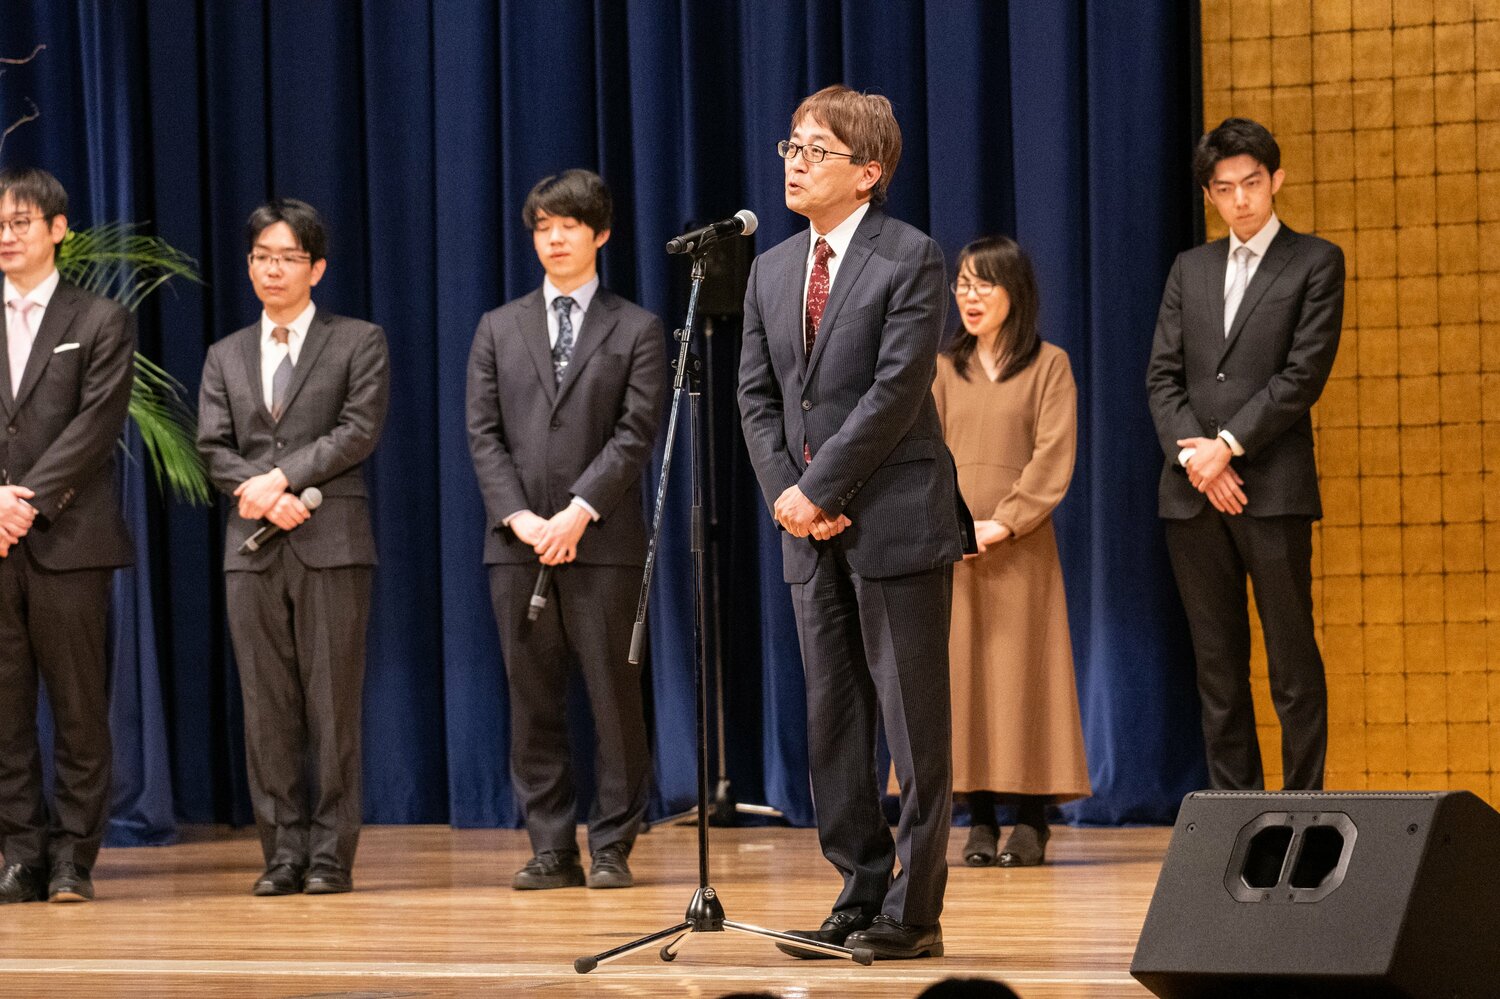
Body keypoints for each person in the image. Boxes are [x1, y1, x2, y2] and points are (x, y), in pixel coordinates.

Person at [738, 85, 971, 960]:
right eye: (790, 146)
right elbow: (756, 395)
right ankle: (857, 889)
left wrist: (825, 487)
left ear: (867, 172)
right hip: (807, 524)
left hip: (896, 519)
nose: (796, 163)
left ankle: (915, 912)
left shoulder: (909, 256)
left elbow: (898, 389)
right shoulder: (767, 269)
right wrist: (786, 495)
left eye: (817, 150)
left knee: (914, 725)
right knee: (834, 719)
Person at [466, 169, 664, 891]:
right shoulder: (498, 326)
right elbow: (483, 435)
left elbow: (636, 432)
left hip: (602, 543)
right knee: (533, 699)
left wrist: (578, 510)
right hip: (515, 546)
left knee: (615, 700)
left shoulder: (637, 327)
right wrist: (522, 518)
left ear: (600, 233)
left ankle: (613, 841)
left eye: (569, 225)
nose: (554, 238)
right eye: (543, 226)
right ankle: (551, 844)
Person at [197, 198, 390, 895]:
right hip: (249, 547)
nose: (271, 270)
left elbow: (357, 429)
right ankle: (281, 852)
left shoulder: (358, 340)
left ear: (317, 267)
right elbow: (212, 446)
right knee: (266, 706)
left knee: (333, 706)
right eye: (261, 257)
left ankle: (331, 855)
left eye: (286, 257)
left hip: (330, 543)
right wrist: (261, 493)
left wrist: (283, 477)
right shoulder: (224, 355)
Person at [1146, 117, 1344, 791]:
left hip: (1274, 487)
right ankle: (1239, 818)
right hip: (1193, 496)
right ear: (1210, 193)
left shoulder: (1316, 261)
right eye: (1225, 188)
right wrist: (1199, 463)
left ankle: (1305, 810)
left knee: (1292, 662)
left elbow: (1302, 375)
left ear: (1276, 180)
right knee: (1218, 670)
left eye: (1252, 184)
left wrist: (1226, 447)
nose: (1240, 200)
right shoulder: (1189, 267)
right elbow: (1162, 378)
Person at [0, 167, 135, 904]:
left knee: (79, 705)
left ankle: (73, 857)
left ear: (57, 229)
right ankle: (20, 852)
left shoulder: (99, 319)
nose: (6, 235)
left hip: (69, 540)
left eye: (20, 222)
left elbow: (96, 424)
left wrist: (28, 501)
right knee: (5, 707)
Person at [939, 236, 1091, 868]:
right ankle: (976, 820)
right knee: (963, 681)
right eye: (963, 285)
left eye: (984, 285)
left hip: (1021, 550)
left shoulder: (1049, 364)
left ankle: (1031, 820)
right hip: (954, 550)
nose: (970, 297)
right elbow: (928, 456)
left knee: (1028, 681)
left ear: (1014, 292)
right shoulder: (942, 366)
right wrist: (954, 526)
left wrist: (1003, 524)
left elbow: (1053, 455)